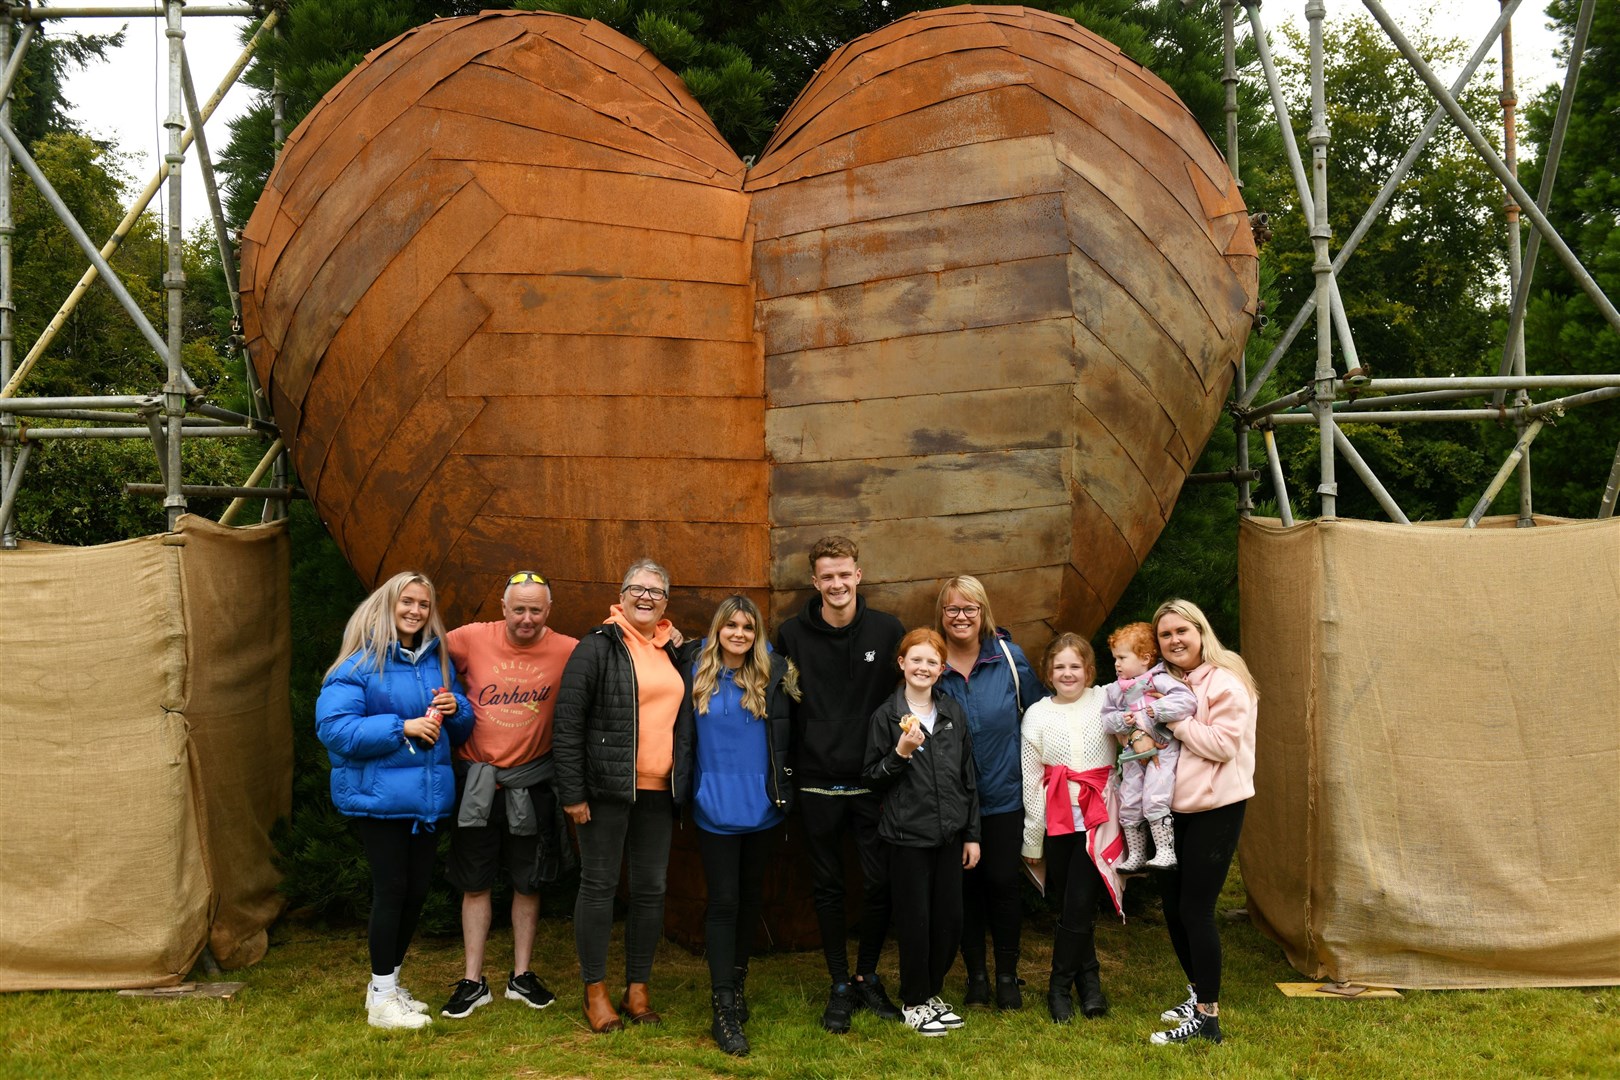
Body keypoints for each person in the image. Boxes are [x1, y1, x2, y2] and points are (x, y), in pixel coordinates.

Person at [315, 571, 473, 1030]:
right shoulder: (358, 665)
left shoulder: (436, 662)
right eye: (407, 602)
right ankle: (382, 1000)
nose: (416, 611)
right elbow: (334, 730)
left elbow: (461, 729)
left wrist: (455, 709)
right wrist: (401, 727)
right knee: (392, 892)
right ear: (387, 605)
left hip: (426, 801)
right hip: (379, 798)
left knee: (415, 893)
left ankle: (388, 985)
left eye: (424, 604)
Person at [553, 559, 695, 1034]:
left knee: (652, 890)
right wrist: (572, 791)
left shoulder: (672, 651)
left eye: (656, 592)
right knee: (599, 886)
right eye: (638, 589)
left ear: (666, 603)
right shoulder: (597, 646)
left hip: (658, 792)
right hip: (605, 790)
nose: (646, 597)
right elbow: (568, 720)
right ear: (622, 594)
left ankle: (638, 989)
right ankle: (595, 991)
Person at [774, 535, 906, 1032]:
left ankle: (867, 975)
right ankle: (837, 984)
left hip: (873, 782)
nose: (836, 583)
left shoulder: (888, 629)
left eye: (843, 573)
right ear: (814, 581)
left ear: (858, 575)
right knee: (827, 888)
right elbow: (784, 709)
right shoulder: (791, 635)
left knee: (879, 884)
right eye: (826, 576)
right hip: (815, 784)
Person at [440, 571, 579, 1020]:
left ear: (548, 611)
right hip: (478, 785)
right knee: (474, 882)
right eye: (518, 608)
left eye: (535, 609)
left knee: (528, 882)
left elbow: (617, 662)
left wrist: (670, 637)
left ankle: (521, 975)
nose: (526, 618)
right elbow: (419, 648)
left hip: (532, 784)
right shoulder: (470, 639)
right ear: (502, 608)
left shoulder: (566, 649)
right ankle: (472, 979)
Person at [684, 595, 799, 1057]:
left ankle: (737, 984)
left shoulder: (774, 675)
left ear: (758, 635)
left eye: (748, 627)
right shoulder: (692, 670)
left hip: (762, 805)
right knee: (724, 902)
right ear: (718, 630)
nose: (738, 634)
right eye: (730, 626)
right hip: (713, 805)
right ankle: (722, 1005)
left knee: (751, 899)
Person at [1146, 599, 1258, 1047]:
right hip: (1174, 809)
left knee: (1196, 909)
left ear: (1201, 631)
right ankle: (1196, 996)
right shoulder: (1168, 682)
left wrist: (1175, 723)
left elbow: (1223, 745)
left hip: (1217, 808)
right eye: (1165, 635)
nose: (1174, 641)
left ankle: (1208, 1017)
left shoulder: (1226, 680)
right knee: (1172, 907)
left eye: (1181, 631)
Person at [864, 628, 981, 1037]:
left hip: (949, 835)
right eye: (916, 659)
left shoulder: (951, 712)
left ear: (942, 669)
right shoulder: (887, 716)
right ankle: (914, 1001)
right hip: (907, 836)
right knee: (916, 922)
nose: (923, 667)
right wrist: (901, 753)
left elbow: (968, 777)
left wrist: (972, 833)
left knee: (949, 920)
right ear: (902, 664)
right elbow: (872, 778)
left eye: (932, 661)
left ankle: (930, 993)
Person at [933, 575, 1041, 1009]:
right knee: (965, 888)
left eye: (969, 609)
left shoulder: (1010, 660)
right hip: (954, 801)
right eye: (952, 609)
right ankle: (976, 976)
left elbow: (1039, 714)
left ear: (983, 613)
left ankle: (1008, 976)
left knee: (1001, 883)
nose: (961, 617)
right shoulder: (931, 664)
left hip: (1003, 794)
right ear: (941, 615)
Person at [1018, 633, 1124, 1023]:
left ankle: (1058, 987)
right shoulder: (1037, 715)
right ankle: (1090, 985)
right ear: (1048, 672)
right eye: (1059, 667)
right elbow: (1031, 780)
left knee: (1080, 902)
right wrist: (1032, 837)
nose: (1068, 673)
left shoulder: (1105, 700)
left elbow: (1144, 686)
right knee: (1070, 906)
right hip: (1059, 820)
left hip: (1098, 819)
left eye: (1075, 666)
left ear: (1089, 671)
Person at [1100, 622, 1197, 873]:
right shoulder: (1115, 689)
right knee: (1129, 799)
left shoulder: (1160, 680)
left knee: (1155, 796)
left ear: (1144, 658)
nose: (1116, 664)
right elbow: (1106, 718)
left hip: (1163, 751)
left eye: (1122, 658)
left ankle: (1166, 851)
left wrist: (1159, 709)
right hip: (1133, 755)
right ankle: (1137, 855)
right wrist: (1122, 722)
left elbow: (1187, 701)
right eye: (1115, 659)